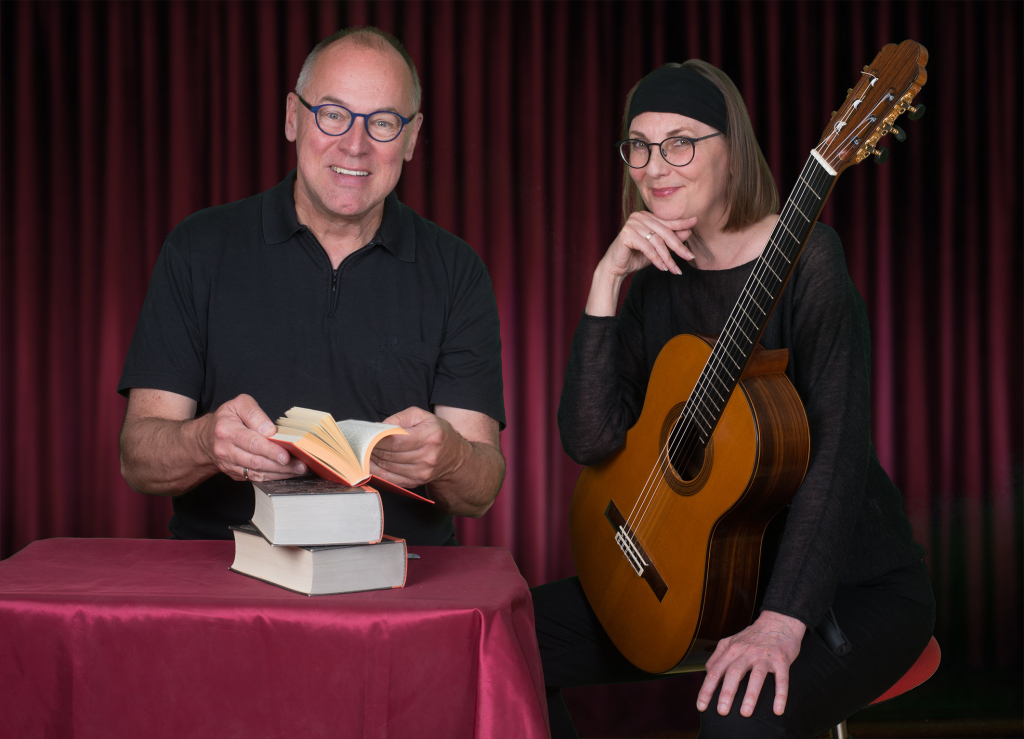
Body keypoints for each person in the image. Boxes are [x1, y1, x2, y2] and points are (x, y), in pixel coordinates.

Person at [534, 61, 935, 738]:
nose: (655, 166)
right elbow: (590, 438)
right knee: (509, 641)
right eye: (640, 146)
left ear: (732, 151)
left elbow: (835, 457)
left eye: (680, 142)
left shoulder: (810, 260)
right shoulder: (657, 279)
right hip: (707, 582)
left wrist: (782, 621)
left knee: (735, 721)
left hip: (848, 586)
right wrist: (606, 281)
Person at [118, 26, 506, 545]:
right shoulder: (198, 248)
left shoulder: (457, 270)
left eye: (383, 123)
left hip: (401, 575)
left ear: (412, 138)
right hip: (223, 570)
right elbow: (137, 459)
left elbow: (481, 490)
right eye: (333, 114)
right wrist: (205, 443)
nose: (355, 145)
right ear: (292, 117)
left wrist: (451, 458)